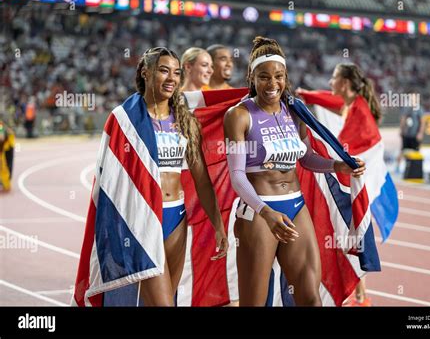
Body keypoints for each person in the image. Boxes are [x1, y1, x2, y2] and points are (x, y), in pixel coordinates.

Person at [223, 37, 366, 306]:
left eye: (278, 76)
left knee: (311, 298)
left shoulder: (295, 111)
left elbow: (307, 158)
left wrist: (339, 166)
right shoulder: (239, 115)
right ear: (252, 78)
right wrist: (266, 213)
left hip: (296, 207)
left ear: (286, 76)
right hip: (259, 212)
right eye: (264, 77)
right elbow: (237, 175)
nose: (272, 84)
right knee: (253, 302)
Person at [136, 47, 228, 305]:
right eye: (164, 71)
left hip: (176, 217)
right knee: (161, 301)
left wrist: (217, 225)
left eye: (175, 73)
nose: (171, 79)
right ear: (146, 73)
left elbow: (201, 179)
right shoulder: (128, 118)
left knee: (167, 297)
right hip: (144, 217)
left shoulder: (184, 120)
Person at [297, 62, 382, 306]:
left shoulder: (359, 111)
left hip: (360, 180)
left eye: (334, 78)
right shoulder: (349, 104)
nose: (330, 83)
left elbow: (350, 150)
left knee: (348, 232)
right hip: (356, 178)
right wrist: (304, 95)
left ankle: (360, 296)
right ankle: (359, 294)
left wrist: (333, 164)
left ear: (344, 84)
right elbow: (326, 99)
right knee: (346, 233)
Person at [397, 92, 424, 173]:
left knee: (416, 152)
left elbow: (422, 122)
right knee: (402, 151)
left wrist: (420, 133)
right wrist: (401, 130)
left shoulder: (419, 109)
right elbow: (403, 119)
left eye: (414, 98)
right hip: (406, 134)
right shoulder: (406, 108)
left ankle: (416, 168)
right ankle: (398, 167)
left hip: (415, 135)